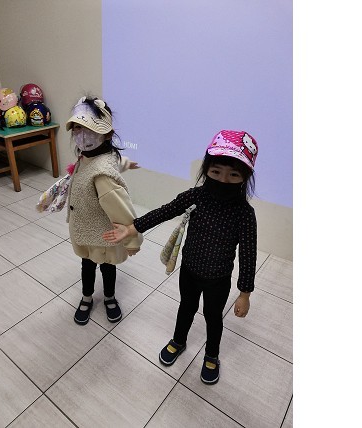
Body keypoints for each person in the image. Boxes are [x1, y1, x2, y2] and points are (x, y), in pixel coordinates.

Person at [103, 130, 258, 385]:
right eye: (216, 171)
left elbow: (248, 254)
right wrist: (133, 228)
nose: (223, 179)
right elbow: (166, 211)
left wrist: (245, 293)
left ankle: (212, 354)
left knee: (213, 316)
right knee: (186, 307)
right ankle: (178, 340)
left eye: (233, 175)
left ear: (245, 176)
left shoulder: (244, 213)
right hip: (189, 271)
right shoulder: (196, 196)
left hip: (219, 279)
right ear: (206, 169)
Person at [65, 96, 143, 326]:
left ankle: (109, 297)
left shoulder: (102, 175)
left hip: (104, 235)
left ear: (107, 134)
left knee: (107, 267)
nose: (82, 134)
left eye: (89, 129)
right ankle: (87, 297)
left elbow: (121, 209)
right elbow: (115, 161)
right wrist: (127, 164)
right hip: (86, 230)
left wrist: (132, 240)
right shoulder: (90, 157)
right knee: (87, 266)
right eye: (77, 128)